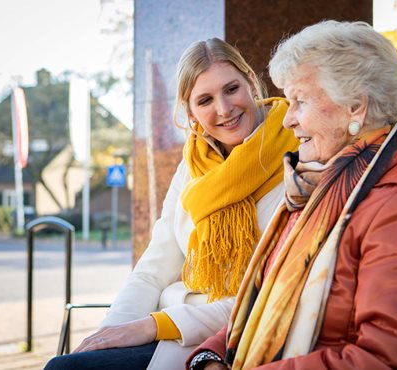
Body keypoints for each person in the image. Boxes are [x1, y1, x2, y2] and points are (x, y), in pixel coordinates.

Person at [187, 20, 397, 370]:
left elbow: (392, 360)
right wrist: (210, 358)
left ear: (355, 106)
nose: (287, 119)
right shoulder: (320, 185)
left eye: (300, 101)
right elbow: (260, 305)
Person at [44, 38, 298, 370]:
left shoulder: (300, 156)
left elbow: (269, 293)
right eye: (205, 100)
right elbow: (152, 269)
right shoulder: (192, 166)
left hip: (230, 338)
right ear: (190, 111)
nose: (223, 109)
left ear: (251, 81)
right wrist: (108, 336)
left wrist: (152, 325)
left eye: (231, 89)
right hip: (170, 325)